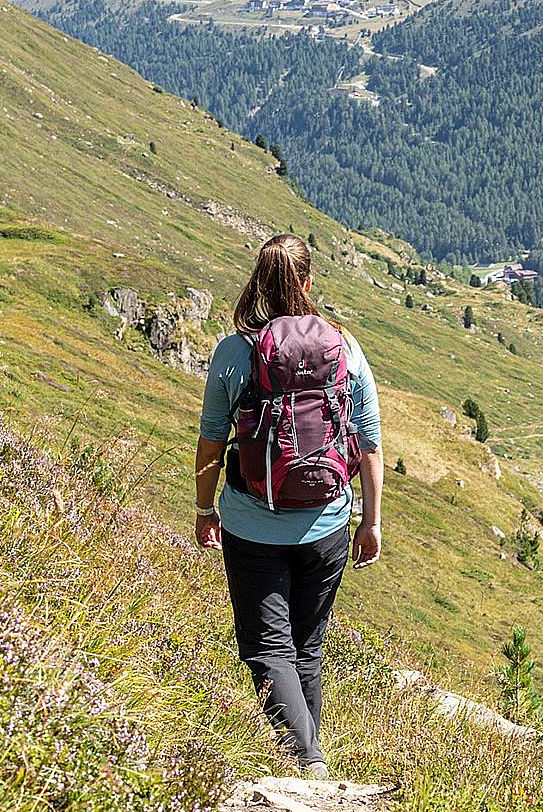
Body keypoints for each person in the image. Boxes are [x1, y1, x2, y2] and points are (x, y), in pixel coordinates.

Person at [193, 233, 383, 779]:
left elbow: (211, 439)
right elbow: (368, 440)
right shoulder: (343, 347)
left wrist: (206, 510)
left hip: (253, 525)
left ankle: (308, 767)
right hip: (327, 523)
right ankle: (308, 762)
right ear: (306, 284)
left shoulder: (235, 353)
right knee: (306, 647)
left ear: (257, 282)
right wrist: (369, 522)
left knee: (267, 649)